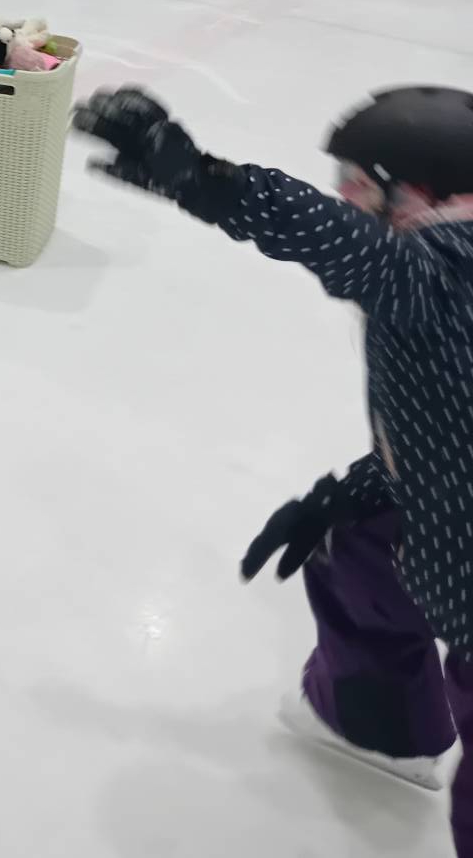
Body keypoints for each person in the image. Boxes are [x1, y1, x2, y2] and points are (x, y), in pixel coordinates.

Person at [73, 84, 473, 856]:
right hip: (445, 501)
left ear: (424, 195)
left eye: (357, 183)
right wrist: (355, 491)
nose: (343, 197)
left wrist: (201, 178)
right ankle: (378, 725)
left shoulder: (439, 270)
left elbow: (341, 244)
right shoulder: (437, 280)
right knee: (358, 539)